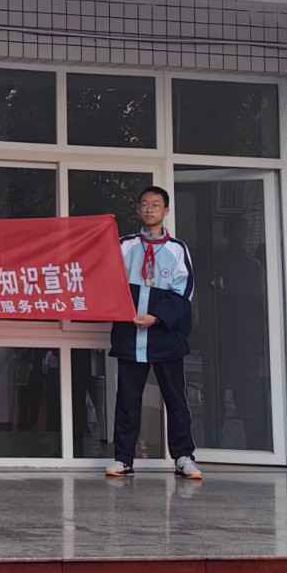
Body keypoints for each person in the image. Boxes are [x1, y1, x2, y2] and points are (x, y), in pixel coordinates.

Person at [106, 186, 202, 481]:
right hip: (130, 336)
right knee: (127, 401)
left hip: (165, 337)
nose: (149, 209)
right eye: (145, 204)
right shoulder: (124, 245)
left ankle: (183, 457)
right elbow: (107, 280)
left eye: (156, 205)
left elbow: (184, 291)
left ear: (166, 211)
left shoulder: (177, 249)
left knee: (176, 400)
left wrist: (157, 318)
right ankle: (123, 458)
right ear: (139, 209)